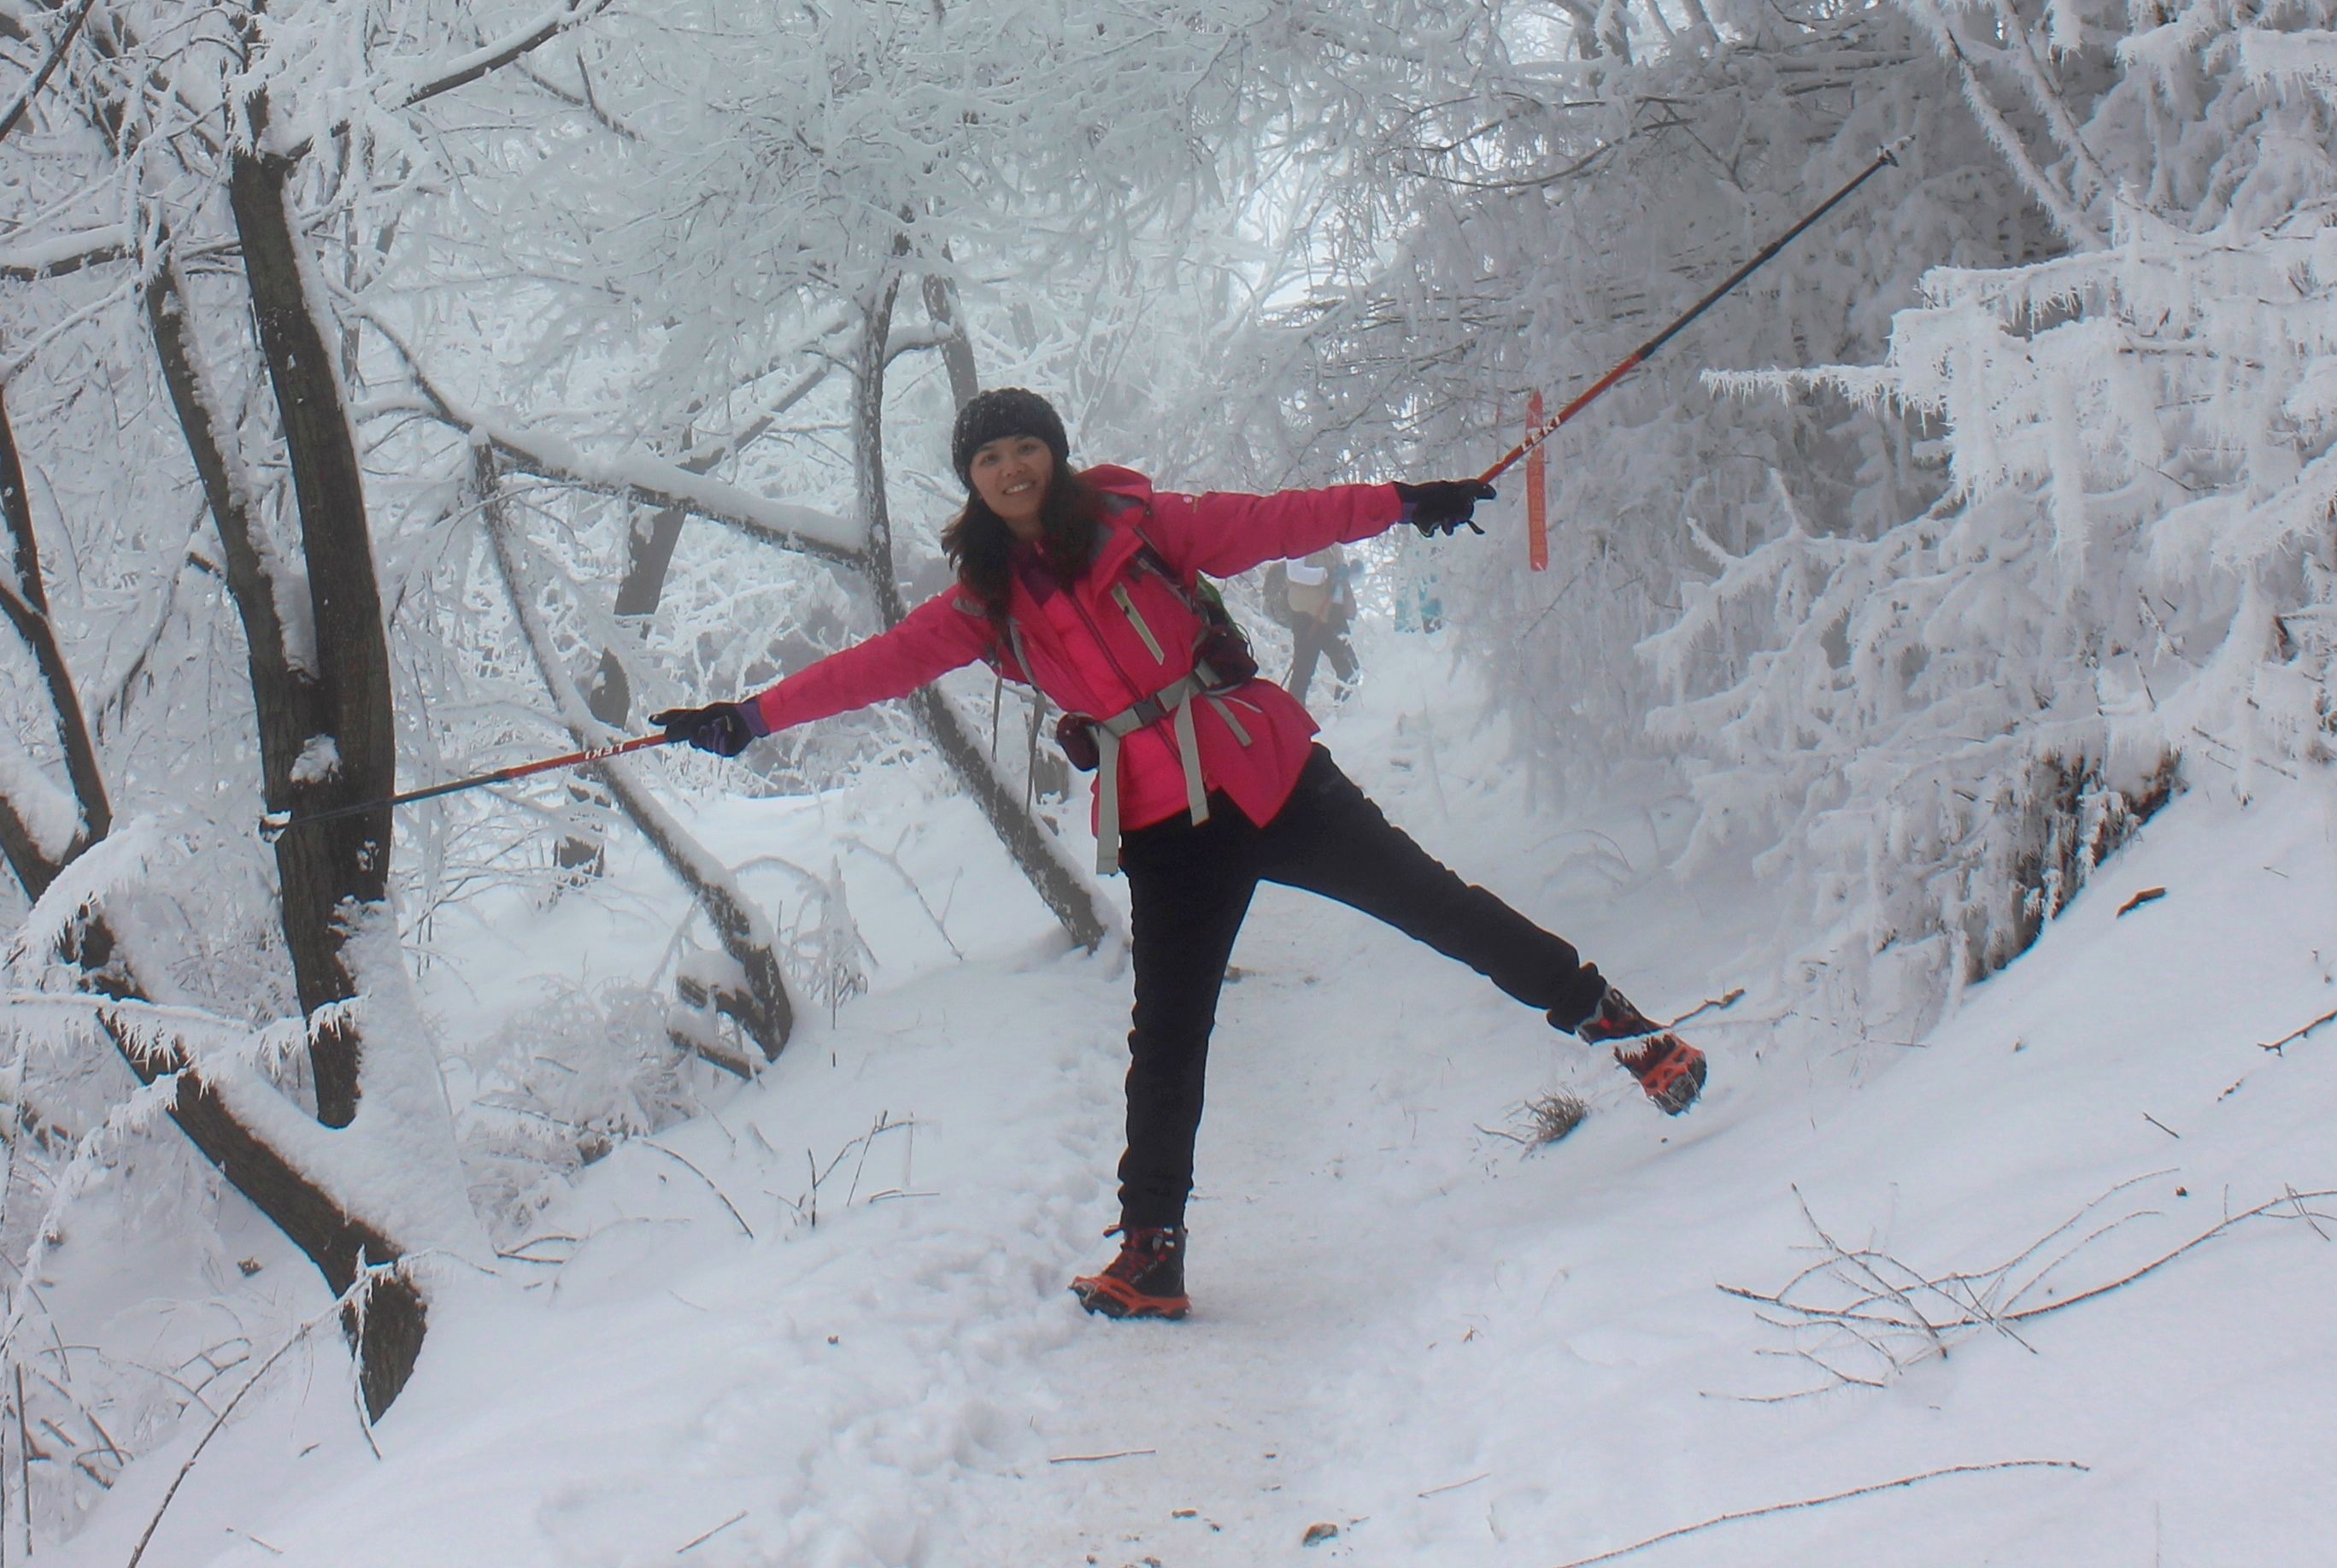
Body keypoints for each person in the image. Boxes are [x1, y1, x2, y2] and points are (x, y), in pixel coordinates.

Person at [651, 387, 1707, 1323]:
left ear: (1053, 456)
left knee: (1438, 908)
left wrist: (1400, 499)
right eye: (989, 459)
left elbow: (1273, 522)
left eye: (1026, 449)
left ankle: (1627, 1027)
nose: (1012, 469)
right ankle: (1151, 1254)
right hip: (1162, 823)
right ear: (971, 482)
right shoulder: (983, 601)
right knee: (1167, 1038)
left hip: (1269, 776)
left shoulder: (1142, 525)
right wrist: (750, 717)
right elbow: (876, 667)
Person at [1277, 554, 1359, 702]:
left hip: (1333, 611)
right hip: (1308, 614)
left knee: (1350, 667)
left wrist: (1349, 573)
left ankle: (1345, 715)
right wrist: (1325, 575)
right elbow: (1294, 572)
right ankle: (1294, 720)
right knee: (1303, 672)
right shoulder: (1301, 539)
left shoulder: (1333, 541)